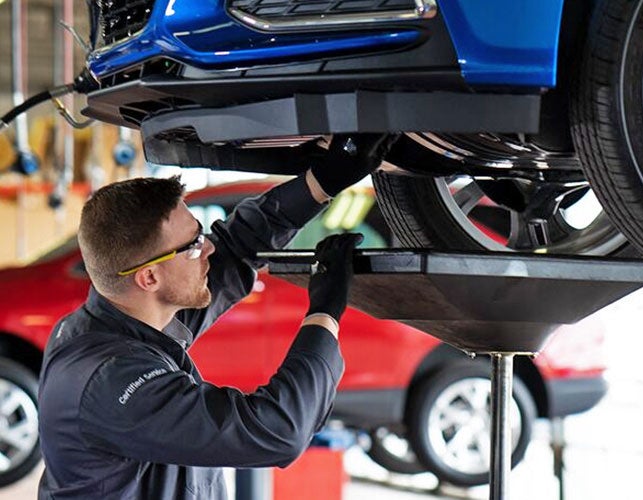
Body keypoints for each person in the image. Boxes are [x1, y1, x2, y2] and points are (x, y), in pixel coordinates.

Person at [37, 134, 397, 499]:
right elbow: (277, 430)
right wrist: (325, 312)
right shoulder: (112, 382)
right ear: (148, 277)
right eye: (193, 246)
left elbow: (236, 247)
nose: (208, 247)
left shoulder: (127, 318)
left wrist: (323, 182)